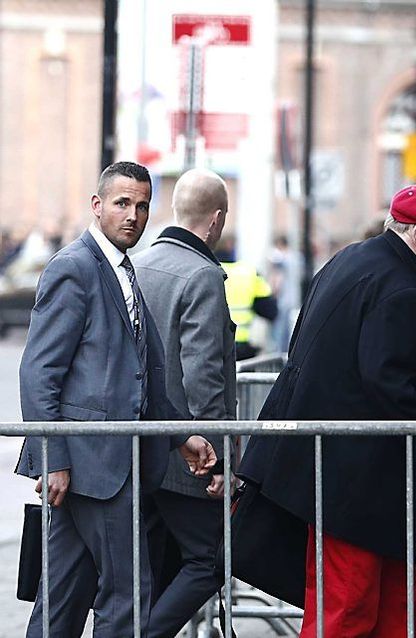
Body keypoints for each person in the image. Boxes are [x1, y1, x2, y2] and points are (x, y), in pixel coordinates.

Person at [237, 184, 416, 637]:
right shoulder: (400, 287)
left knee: (392, 602)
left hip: (339, 472)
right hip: (356, 480)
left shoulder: (351, 260)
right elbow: (391, 386)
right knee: (349, 604)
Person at [15, 161, 217, 636]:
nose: (133, 214)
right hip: (93, 464)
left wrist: (180, 435)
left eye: (143, 205)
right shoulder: (74, 267)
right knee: (128, 594)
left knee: (63, 596)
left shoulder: (123, 267)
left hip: (108, 463)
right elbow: (39, 372)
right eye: (122, 203)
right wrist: (54, 457)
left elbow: (139, 377)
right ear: (97, 205)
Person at [133, 168, 237, 637]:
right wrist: (218, 458)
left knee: (153, 565)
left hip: (142, 446)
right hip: (189, 455)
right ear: (215, 220)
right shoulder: (202, 275)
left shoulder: (139, 263)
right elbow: (204, 376)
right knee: (210, 559)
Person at [218, 236, 278, 360]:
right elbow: (271, 311)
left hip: (212, 347)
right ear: (231, 246)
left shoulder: (202, 270)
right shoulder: (249, 272)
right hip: (242, 350)